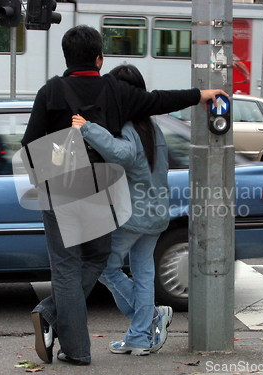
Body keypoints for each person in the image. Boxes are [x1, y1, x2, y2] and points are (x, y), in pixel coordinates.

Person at [21, 24, 228, 366]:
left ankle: (75, 347)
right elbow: (160, 99)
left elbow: (29, 144)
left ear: (66, 57)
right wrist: (201, 95)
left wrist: (45, 178)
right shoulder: (117, 91)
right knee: (97, 259)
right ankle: (56, 321)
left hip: (60, 192)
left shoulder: (51, 91)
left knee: (67, 268)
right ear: (99, 59)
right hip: (101, 193)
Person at [71, 64, 172, 356]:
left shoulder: (129, 127)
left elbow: (123, 154)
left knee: (104, 266)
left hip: (134, 216)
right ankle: (140, 336)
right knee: (143, 272)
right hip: (155, 214)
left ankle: (150, 318)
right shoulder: (152, 127)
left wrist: (86, 128)